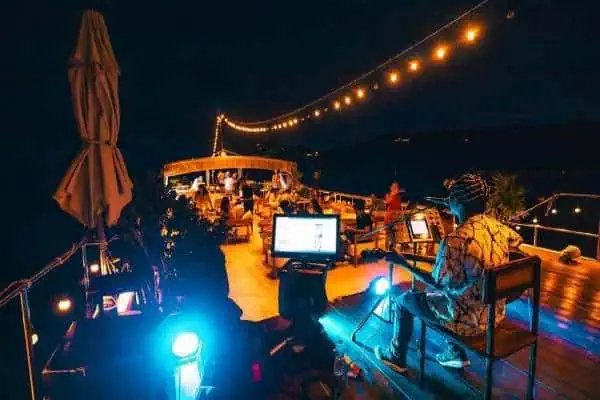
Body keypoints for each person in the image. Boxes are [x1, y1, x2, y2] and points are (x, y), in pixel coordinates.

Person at [375, 173, 523, 373]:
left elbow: (437, 282)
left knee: (405, 300)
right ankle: (454, 353)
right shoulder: (500, 229)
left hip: (467, 322)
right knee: (438, 295)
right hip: (492, 315)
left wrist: (402, 262)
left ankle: (395, 356)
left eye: (451, 198)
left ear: (455, 202)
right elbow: (516, 242)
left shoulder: (456, 240)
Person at [384, 182, 405, 249]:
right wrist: (395, 193)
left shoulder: (398, 196)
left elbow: (399, 207)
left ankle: (399, 244)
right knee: (390, 231)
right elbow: (388, 201)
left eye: (397, 187)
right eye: (394, 186)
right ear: (390, 188)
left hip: (397, 217)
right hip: (390, 217)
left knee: (398, 231)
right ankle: (392, 245)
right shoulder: (388, 195)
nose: (396, 188)